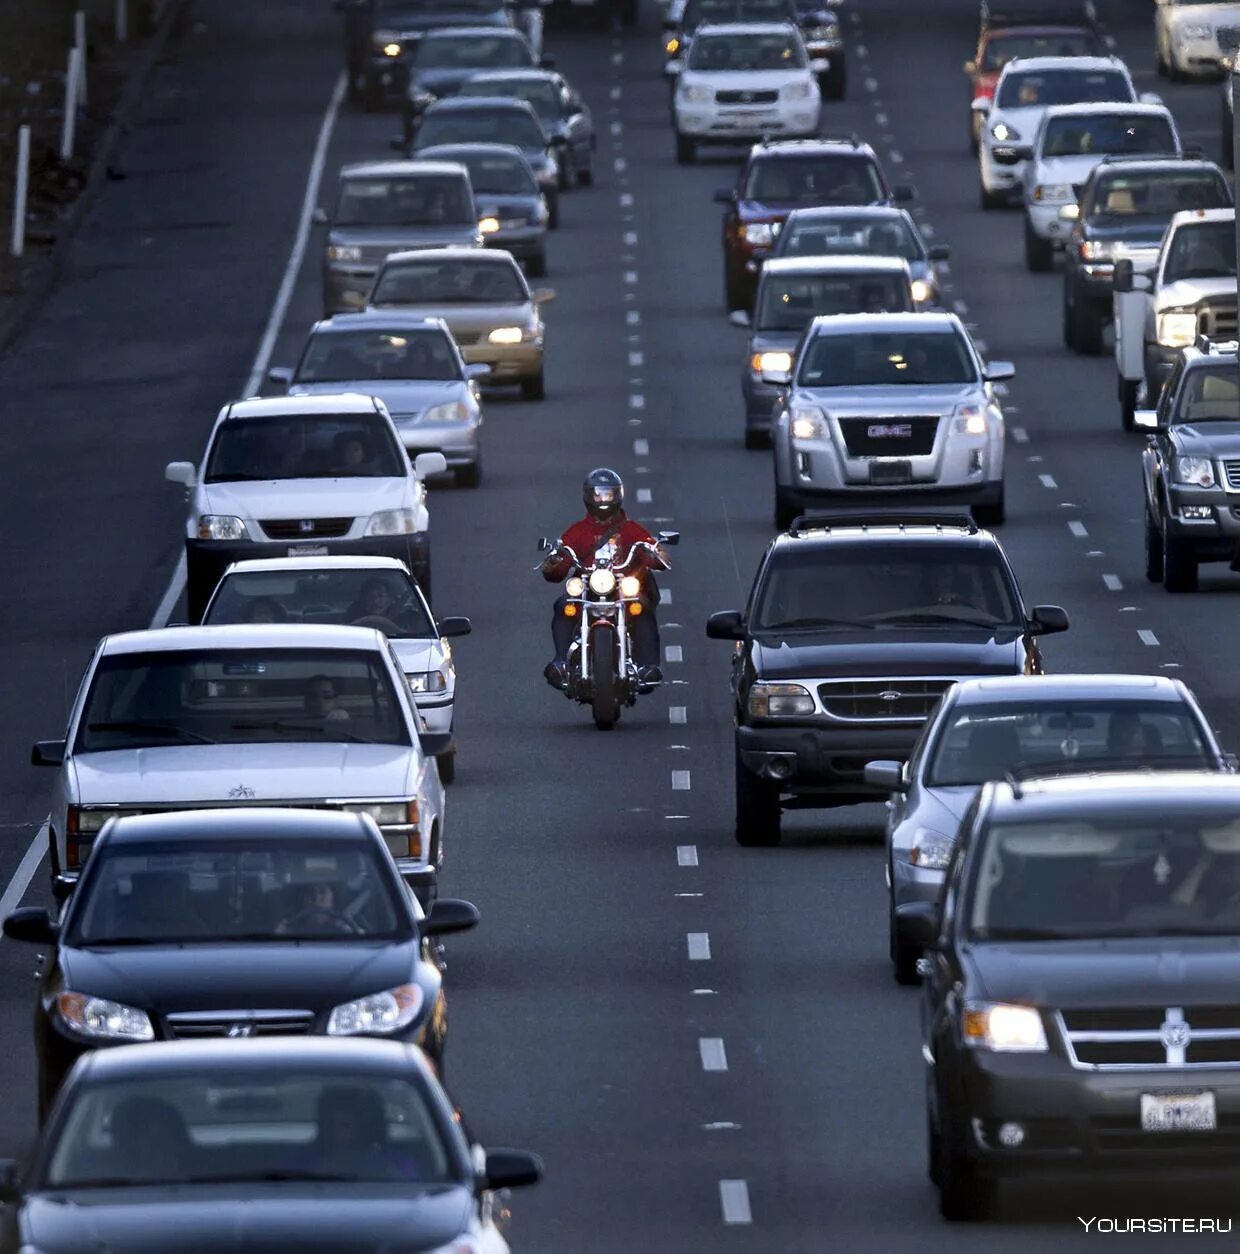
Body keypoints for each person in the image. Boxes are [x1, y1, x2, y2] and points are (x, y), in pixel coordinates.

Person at [541, 468, 669, 692]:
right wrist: (553, 561)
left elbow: (654, 551)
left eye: (608, 494)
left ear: (618, 495)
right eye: (598, 494)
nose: (603, 499)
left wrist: (656, 553)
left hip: (622, 591)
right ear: (588, 497)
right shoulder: (577, 531)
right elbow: (558, 563)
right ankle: (561, 661)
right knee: (564, 606)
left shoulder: (631, 530)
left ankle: (648, 666)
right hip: (588, 591)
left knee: (642, 607)